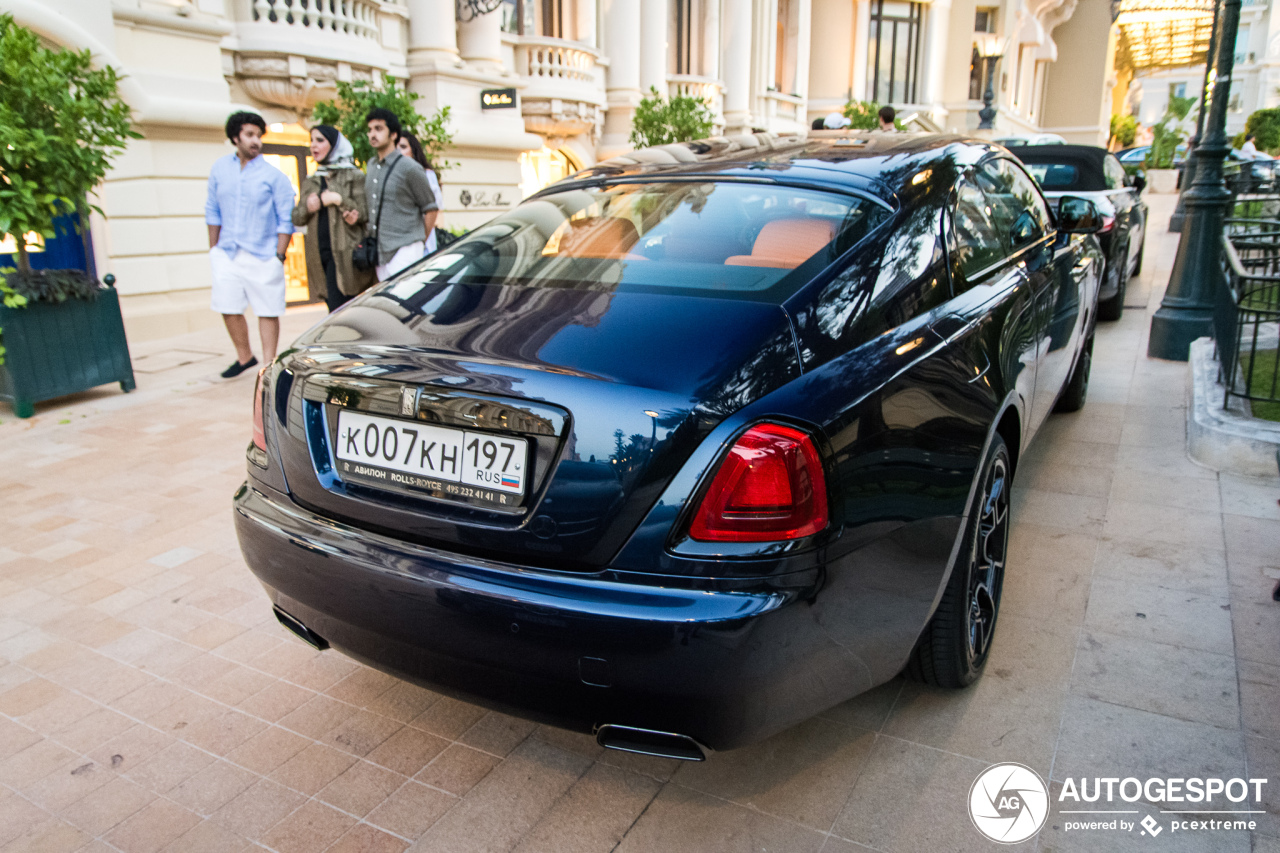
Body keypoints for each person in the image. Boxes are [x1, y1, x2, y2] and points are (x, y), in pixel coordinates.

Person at [205, 111, 295, 378]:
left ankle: (268, 365)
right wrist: (214, 249)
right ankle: (245, 357)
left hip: (263, 253)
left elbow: (285, 220)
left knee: (268, 309)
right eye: (249, 135)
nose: (255, 141)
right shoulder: (220, 169)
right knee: (227, 305)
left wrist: (279, 255)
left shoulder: (274, 177)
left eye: (258, 135)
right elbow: (212, 210)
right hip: (227, 251)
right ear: (235, 137)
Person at [292, 125, 374, 312]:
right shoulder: (312, 180)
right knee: (334, 309)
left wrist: (339, 200)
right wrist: (308, 207)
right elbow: (296, 218)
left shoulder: (353, 175)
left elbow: (364, 212)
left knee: (342, 310)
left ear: (335, 145)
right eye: (311, 141)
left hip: (345, 255)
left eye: (320, 140)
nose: (314, 146)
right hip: (320, 254)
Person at [363, 108, 438, 281]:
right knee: (388, 305)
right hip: (380, 252)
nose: (372, 134)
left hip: (406, 249)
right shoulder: (372, 166)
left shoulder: (409, 167)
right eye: (370, 129)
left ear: (393, 134)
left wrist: (418, 241)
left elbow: (431, 208)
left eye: (379, 128)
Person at [395, 130, 443, 254]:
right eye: (396, 147)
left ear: (413, 150)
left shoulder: (426, 174)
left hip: (421, 244)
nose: (399, 151)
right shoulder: (392, 178)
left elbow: (434, 208)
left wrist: (423, 240)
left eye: (403, 147)